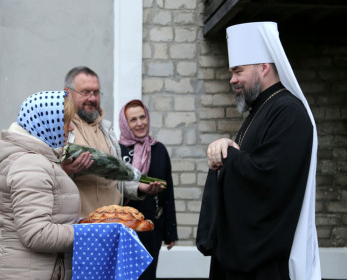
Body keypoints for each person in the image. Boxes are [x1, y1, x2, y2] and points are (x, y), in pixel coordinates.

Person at [197, 22, 321, 279]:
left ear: (263, 67)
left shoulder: (289, 112)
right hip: (243, 260)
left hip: (264, 263)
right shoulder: (262, 110)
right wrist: (226, 156)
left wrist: (228, 155)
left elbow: (271, 179)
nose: (232, 79)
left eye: (238, 71)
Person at [0, 91, 79, 280]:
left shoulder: (38, 161)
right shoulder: (30, 164)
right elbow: (36, 234)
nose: (71, 128)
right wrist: (90, 233)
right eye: (65, 122)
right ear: (47, 123)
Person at [62, 66, 163, 218]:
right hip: (79, 228)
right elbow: (45, 176)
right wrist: (65, 170)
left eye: (96, 92)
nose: (92, 98)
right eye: (85, 92)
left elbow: (115, 176)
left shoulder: (107, 130)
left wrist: (139, 187)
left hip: (113, 224)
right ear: (67, 93)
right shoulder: (60, 128)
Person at [118, 99, 178, 280]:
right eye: (133, 119)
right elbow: (113, 187)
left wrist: (170, 231)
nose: (140, 123)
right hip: (125, 228)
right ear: (125, 124)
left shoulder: (158, 150)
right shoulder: (117, 151)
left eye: (142, 117)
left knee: (148, 275)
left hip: (152, 227)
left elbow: (168, 192)